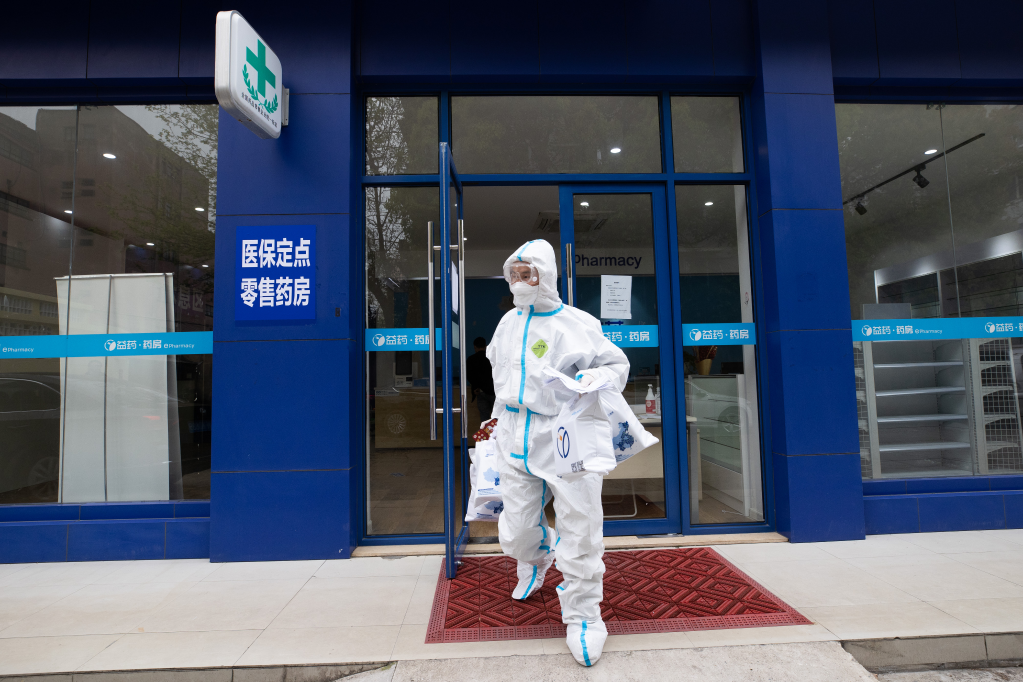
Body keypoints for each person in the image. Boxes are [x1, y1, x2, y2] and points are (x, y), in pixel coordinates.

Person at [487, 239, 629, 667]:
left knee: (581, 527)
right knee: (516, 530)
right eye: (513, 273)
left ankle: (584, 617)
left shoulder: (578, 323)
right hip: (515, 434)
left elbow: (616, 366)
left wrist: (590, 380)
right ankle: (536, 556)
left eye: (527, 273)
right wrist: (493, 421)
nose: (519, 281)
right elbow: (502, 377)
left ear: (545, 275)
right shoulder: (507, 323)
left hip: (566, 434)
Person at [466, 336, 495, 420]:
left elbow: (470, 376)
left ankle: (485, 429)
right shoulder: (491, 358)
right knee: (496, 416)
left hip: (480, 391)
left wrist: (475, 387)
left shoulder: (471, 359)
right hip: (494, 391)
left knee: (484, 417)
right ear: (486, 346)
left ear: (475, 347)